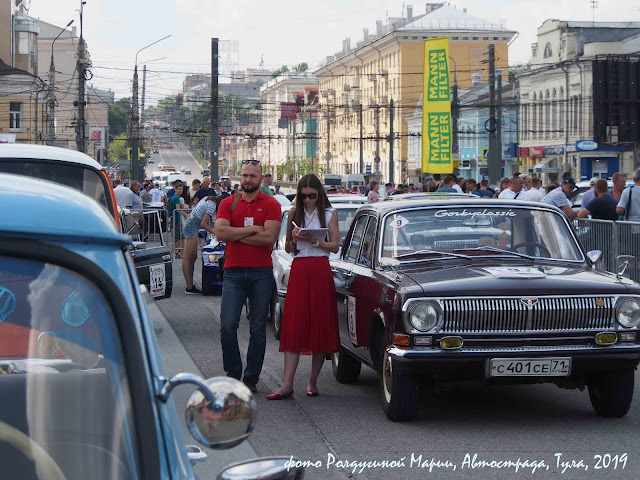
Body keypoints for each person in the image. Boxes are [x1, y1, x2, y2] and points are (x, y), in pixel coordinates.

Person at [267, 174, 340, 400]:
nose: (308, 200)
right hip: (299, 268)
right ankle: (287, 384)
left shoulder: (329, 213)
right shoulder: (293, 213)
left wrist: (314, 241)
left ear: (319, 193)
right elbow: (288, 248)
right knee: (295, 322)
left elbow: (335, 246)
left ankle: (312, 381)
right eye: (303, 195)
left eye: (312, 195)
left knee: (319, 322)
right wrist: (295, 238)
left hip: (319, 268)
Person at [214, 159, 281, 393]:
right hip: (233, 271)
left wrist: (236, 234)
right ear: (238, 178)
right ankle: (233, 373)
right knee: (228, 325)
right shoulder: (228, 204)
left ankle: (251, 378)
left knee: (258, 328)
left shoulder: (272, 205)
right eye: (244, 175)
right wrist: (254, 229)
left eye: (253, 176)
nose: (248, 180)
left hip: (261, 272)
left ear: (261, 179)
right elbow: (220, 232)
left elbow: (269, 239)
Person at [181, 195, 217, 294]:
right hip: (191, 227)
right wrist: (215, 233)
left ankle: (190, 285)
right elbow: (203, 224)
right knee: (188, 258)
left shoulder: (207, 199)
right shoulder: (212, 206)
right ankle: (189, 287)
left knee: (193, 257)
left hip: (191, 224)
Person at [170, 183, 188, 257]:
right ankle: (172, 253)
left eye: (181, 189)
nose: (180, 191)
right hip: (176, 219)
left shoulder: (174, 197)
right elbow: (178, 209)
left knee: (181, 237)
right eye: (179, 189)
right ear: (175, 189)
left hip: (176, 219)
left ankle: (180, 253)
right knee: (177, 238)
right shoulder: (176, 198)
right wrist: (186, 215)